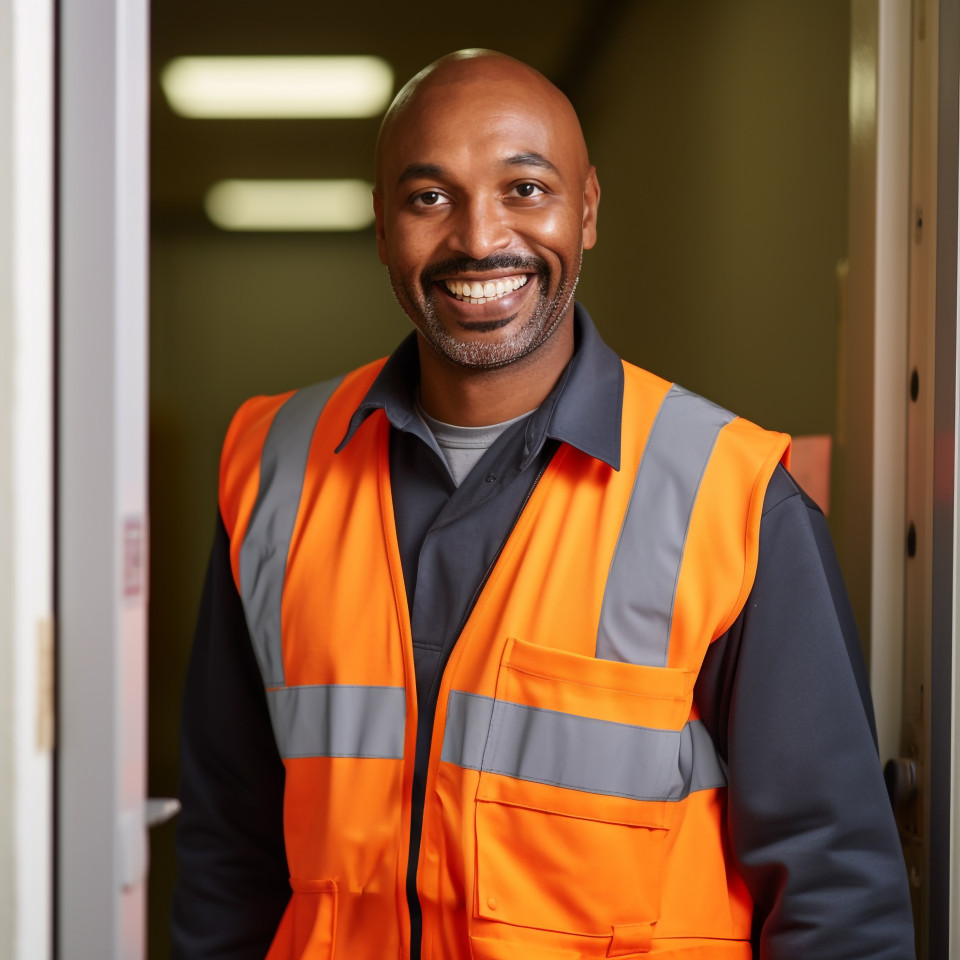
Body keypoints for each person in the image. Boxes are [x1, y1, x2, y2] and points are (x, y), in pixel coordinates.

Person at [171, 49, 916, 960]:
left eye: (525, 188)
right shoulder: (271, 467)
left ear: (589, 208)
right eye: (429, 197)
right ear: (381, 225)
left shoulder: (730, 494)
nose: (480, 238)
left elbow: (833, 883)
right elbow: (228, 846)